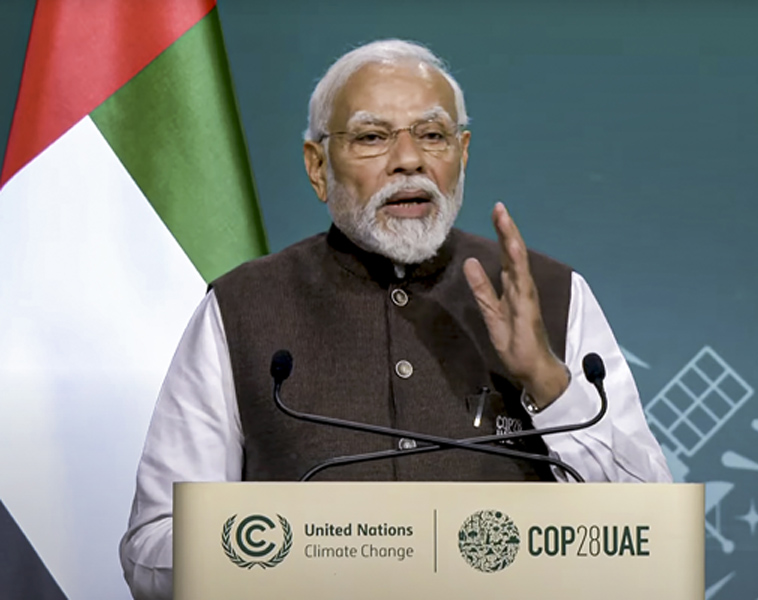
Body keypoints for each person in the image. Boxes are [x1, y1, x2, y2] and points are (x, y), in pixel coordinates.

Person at [119, 39, 671, 599]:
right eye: (372, 137)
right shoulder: (241, 306)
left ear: (463, 154)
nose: (409, 159)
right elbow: (152, 547)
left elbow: (652, 541)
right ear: (317, 167)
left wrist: (549, 382)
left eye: (432, 135)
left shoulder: (549, 295)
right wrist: (295, 549)